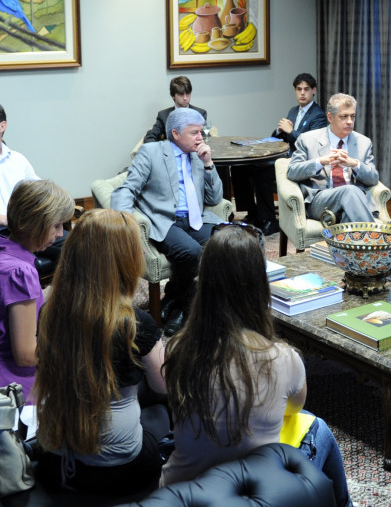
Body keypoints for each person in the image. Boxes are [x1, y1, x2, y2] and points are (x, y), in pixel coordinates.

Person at [161, 223, 352, 506]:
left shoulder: (176, 349)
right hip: (251, 493)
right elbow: (294, 409)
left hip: (180, 490)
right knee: (318, 427)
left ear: (204, 284)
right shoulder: (284, 358)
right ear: (259, 286)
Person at [32, 209, 171, 493]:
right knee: (161, 404)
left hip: (53, 464)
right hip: (121, 471)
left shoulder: (48, 312)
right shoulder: (134, 322)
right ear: (124, 261)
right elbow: (165, 384)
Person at [112, 108, 224, 336]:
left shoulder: (198, 156)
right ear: (175, 133)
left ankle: (173, 296)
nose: (200, 137)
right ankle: (185, 309)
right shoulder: (151, 152)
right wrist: (126, 226)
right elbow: (127, 190)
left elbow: (214, 199)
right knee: (190, 251)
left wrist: (209, 164)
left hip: (196, 219)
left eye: (201, 132)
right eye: (194, 133)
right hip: (165, 221)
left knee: (231, 241)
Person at [0, 179, 74, 402]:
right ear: (36, 224)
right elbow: (24, 355)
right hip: (13, 384)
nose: (60, 234)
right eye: (57, 226)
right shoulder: (21, 273)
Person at [231, 74, 327, 235]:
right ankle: (252, 213)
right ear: (295, 91)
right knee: (240, 166)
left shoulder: (318, 116)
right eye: (299, 89)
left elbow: (311, 145)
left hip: (300, 163)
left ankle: (269, 220)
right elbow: (281, 137)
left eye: (306, 89)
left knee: (262, 173)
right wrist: (280, 130)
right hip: (284, 156)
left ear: (314, 91)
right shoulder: (294, 111)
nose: (302, 93)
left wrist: (291, 131)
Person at [287, 92, 379, 223]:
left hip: (354, 202)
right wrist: (321, 161)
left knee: (349, 215)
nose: (349, 121)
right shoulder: (308, 139)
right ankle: (374, 237)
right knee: (349, 191)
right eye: (344, 117)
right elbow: (292, 171)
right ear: (330, 117)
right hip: (321, 201)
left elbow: (373, 179)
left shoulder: (363, 142)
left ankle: (350, 243)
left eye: (352, 116)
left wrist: (355, 164)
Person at [0, 104, 68, 263]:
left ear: (2, 125)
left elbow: (42, 194)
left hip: (31, 228)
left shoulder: (17, 160)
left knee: (80, 246)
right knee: (18, 264)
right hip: (4, 233)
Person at [143, 76, 208, 143]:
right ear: (173, 96)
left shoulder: (200, 113)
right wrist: (159, 150)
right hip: (171, 151)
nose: (185, 98)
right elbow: (150, 137)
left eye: (188, 94)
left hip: (193, 152)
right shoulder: (163, 115)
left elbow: (205, 137)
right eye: (181, 94)